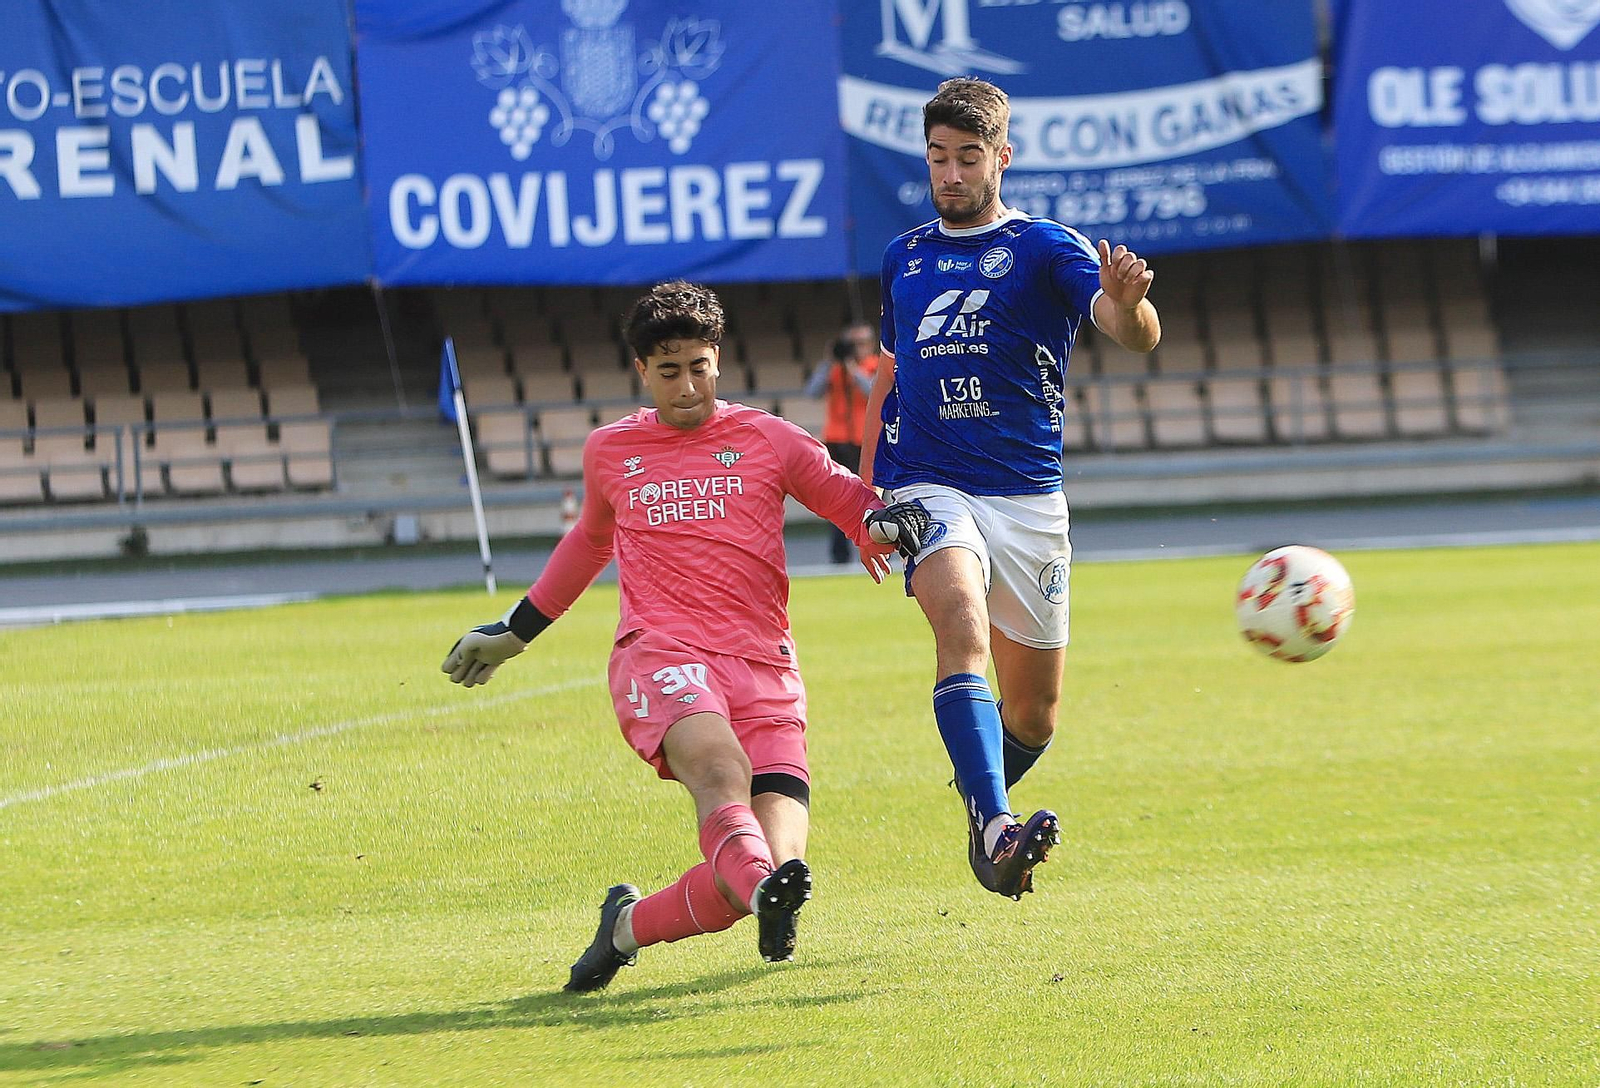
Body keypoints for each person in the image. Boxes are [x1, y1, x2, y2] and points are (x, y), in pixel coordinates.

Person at [441, 281, 928, 991]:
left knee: (766, 866)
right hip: (662, 652)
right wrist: (516, 633)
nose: (689, 385)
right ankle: (765, 892)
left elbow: (841, 493)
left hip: (765, 666)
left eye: (700, 366)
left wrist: (878, 521)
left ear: (717, 362)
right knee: (720, 777)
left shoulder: (766, 436)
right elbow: (587, 544)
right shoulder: (612, 451)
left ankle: (626, 928)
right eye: (670, 371)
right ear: (642, 371)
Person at [858, 78, 1161, 900]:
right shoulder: (905, 256)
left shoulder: (1043, 246)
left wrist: (1132, 305)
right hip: (928, 483)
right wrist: (863, 499)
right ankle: (997, 823)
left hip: (1027, 496)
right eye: (936, 158)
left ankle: (980, 812)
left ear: (1002, 157)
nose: (949, 174)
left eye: (966, 158)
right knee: (961, 632)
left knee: (1034, 717)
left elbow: (1126, 328)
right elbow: (892, 378)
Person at [804, 324, 880, 563]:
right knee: (836, 497)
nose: (855, 349)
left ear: (869, 344)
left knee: (871, 496)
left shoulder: (875, 366)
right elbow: (812, 392)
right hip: (836, 439)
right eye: (851, 344)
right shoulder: (833, 369)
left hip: (864, 440)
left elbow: (872, 392)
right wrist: (829, 362)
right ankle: (840, 555)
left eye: (859, 344)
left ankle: (877, 545)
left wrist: (853, 368)